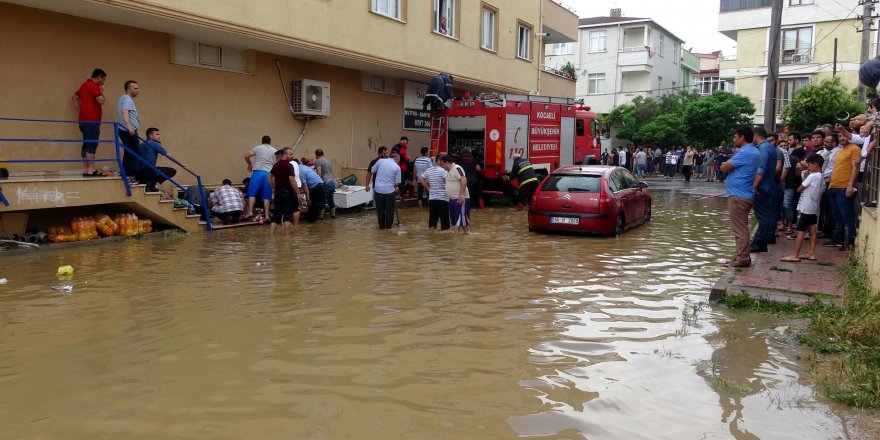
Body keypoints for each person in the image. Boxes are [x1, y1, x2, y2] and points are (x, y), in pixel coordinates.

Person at [720, 125, 760, 268]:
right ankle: (742, 257)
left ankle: (742, 259)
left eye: (735, 137)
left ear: (742, 137)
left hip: (739, 196)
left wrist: (726, 163)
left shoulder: (746, 152)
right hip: (743, 193)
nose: (733, 139)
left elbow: (724, 167)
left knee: (740, 229)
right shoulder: (752, 151)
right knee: (741, 227)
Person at [781, 154, 825, 262]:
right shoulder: (821, 176)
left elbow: (800, 189)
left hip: (807, 207)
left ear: (815, 164)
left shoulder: (812, 176)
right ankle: (811, 252)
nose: (808, 167)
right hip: (814, 207)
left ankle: (795, 255)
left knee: (800, 230)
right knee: (812, 229)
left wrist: (806, 177)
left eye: (809, 165)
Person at [825, 124, 862, 250]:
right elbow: (835, 168)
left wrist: (850, 185)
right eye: (840, 136)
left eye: (844, 136)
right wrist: (830, 184)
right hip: (834, 187)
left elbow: (855, 168)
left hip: (844, 188)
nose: (842, 138)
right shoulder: (839, 151)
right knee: (837, 216)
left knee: (847, 216)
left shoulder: (855, 149)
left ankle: (849, 241)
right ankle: (839, 239)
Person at [72, 68, 106, 177]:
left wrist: (80, 111)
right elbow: (101, 101)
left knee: (86, 144)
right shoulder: (93, 86)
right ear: (99, 77)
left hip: (83, 120)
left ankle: (86, 169)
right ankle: (91, 169)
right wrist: (101, 90)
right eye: (103, 80)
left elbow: (75, 97)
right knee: (92, 144)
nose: (103, 82)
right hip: (92, 120)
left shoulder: (84, 85)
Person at [750, 127, 778, 252]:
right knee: (765, 214)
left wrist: (755, 185)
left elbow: (761, 168)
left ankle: (759, 241)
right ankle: (761, 242)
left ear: (756, 135)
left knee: (762, 216)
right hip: (768, 185)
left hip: (762, 186)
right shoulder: (770, 147)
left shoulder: (764, 148)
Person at [135, 128, 183, 193]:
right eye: (157, 134)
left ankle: (149, 183)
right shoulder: (154, 144)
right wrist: (181, 164)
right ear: (150, 135)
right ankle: (150, 183)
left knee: (155, 171)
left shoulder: (143, 144)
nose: (159, 136)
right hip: (148, 170)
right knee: (171, 171)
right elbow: (169, 156)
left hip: (139, 172)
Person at [243, 135, 276, 220]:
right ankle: (267, 215)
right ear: (270, 142)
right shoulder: (274, 150)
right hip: (268, 174)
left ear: (262, 141)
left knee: (252, 193)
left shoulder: (257, 148)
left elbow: (246, 156)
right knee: (266, 196)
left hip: (258, 172)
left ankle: (250, 212)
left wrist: (250, 164)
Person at [269, 147, 300, 233]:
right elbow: (292, 180)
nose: (292, 156)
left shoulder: (276, 165)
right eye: (290, 154)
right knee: (287, 216)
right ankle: (287, 238)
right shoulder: (289, 165)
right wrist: (298, 193)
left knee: (276, 216)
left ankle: (272, 235)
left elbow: (269, 177)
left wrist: (273, 188)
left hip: (278, 194)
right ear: (285, 155)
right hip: (288, 193)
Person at [116, 80, 141, 180]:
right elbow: (125, 112)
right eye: (135, 88)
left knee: (129, 153)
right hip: (128, 131)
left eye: (138, 88)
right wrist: (130, 127)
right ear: (128, 89)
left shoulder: (124, 98)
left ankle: (125, 173)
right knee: (135, 153)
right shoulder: (127, 99)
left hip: (125, 130)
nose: (138, 90)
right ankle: (130, 175)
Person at [439, 154, 470, 233]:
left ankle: (458, 240)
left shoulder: (457, 168)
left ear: (447, 163)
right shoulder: (448, 171)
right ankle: (458, 240)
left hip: (459, 199)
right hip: (452, 200)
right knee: (455, 223)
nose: (441, 166)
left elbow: (464, 180)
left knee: (460, 223)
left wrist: (461, 195)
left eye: (442, 164)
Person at [370, 151, 401, 229]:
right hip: (390, 192)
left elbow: (372, 170)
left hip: (378, 190)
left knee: (380, 211)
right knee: (390, 211)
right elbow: (396, 184)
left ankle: (381, 227)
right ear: (397, 159)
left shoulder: (380, 161)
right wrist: (396, 187)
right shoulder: (397, 167)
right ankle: (388, 229)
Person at [420, 155, 450, 230]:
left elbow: (421, 178)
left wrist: (428, 188)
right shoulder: (444, 171)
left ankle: (432, 237)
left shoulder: (429, 170)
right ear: (439, 160)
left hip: (432, 199)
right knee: (445, 222)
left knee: (432, 219)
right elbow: (448, 182)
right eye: (443, 161)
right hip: (443, 199)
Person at [299, 158, 326, 224]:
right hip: (321, 184)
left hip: (315, 186)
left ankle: (311, 222)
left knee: (311, 204)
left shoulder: (300, 171)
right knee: (315, 204)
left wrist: (307, 197)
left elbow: (304, 185)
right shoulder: (304, 167)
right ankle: (315, 222)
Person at [314, 148, 336, 219]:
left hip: (325, 182)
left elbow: (319, 173)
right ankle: (333, 216)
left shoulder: (318, 161)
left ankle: (320, 218)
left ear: (316, 155)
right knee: (330, 199)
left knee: (322, 200)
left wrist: (317, 182)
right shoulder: (328, 161)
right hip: (332, 181)